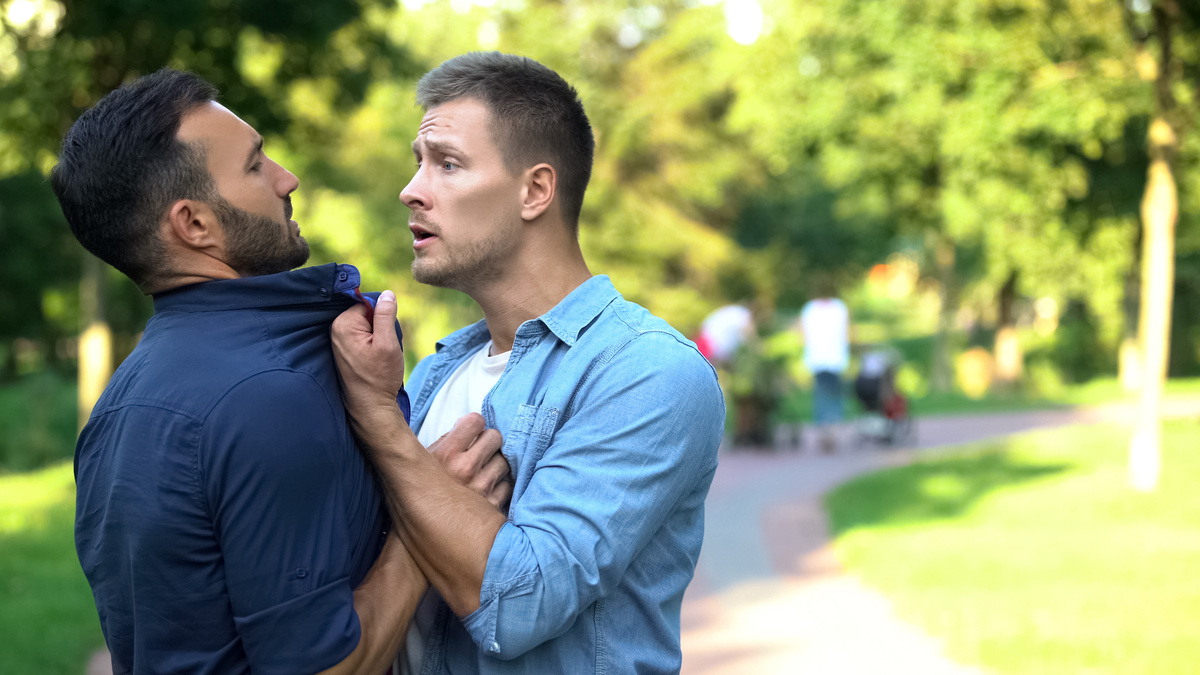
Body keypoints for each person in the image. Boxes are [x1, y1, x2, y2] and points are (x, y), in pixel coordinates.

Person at [52, 69, 510, 674]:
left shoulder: (124, 398)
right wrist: (427, 519)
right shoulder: (265, 395)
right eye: (254, 164)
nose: (286, 178)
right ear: (195, 225)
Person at [330, 52, 725, 674]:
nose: (411, 190)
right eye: (418, 163)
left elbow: (518, 605)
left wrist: (378, 419)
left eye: (448, 164)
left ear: (535, 190)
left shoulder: (646, 372)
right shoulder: (435, 374)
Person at [798, 280, 850, 452]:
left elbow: (802, 333)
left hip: (817, 358)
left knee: (821, 395)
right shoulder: (839, 308)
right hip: (836, 358)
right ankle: (833, 430)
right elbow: (847, 332)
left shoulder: (809, 309)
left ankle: (822, 431)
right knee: (834, 396)